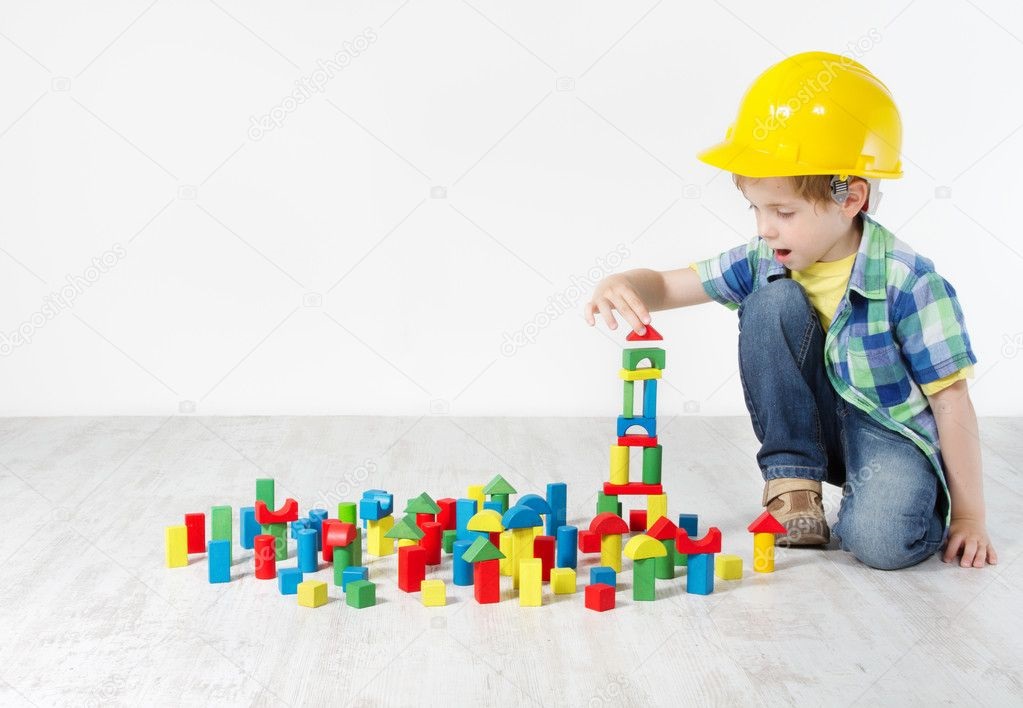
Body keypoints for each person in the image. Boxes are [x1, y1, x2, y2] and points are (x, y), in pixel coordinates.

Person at [584, 52, 997, 570]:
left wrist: (970, 518)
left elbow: (952, 401)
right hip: (813, 423)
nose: (764, 228)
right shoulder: (765, 259)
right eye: (755, 209)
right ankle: (794, 482)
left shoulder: (909, 280)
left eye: (783, 212)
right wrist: (624, 281)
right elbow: (668, 285)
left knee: (880, 546)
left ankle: (896, 501)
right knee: (771, 301)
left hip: (888, 431)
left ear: (852, 199)